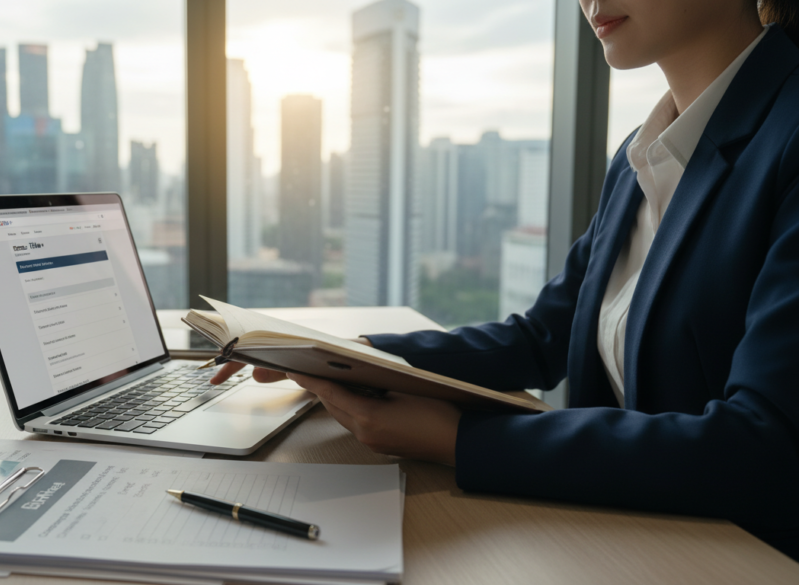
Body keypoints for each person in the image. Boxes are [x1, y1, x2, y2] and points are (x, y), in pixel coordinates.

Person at [210, 0, 799, 560]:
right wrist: (349, 358)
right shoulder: (642, 154)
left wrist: (458, 440)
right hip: (631, 540)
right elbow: (543, 337)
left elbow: (764, 449)